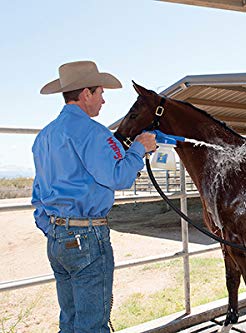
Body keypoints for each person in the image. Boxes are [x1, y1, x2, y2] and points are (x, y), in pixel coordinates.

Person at [32, 60, 156, 333]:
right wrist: (139, 149)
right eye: (100, 92)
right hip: (86, 237)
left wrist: (53, 228)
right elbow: (119, 177)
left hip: (57, 238)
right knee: (92, 325)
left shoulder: (44, 137)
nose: (103, 100)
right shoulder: (94, 133)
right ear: (85, 94)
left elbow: (38, 195)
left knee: (70, 319)